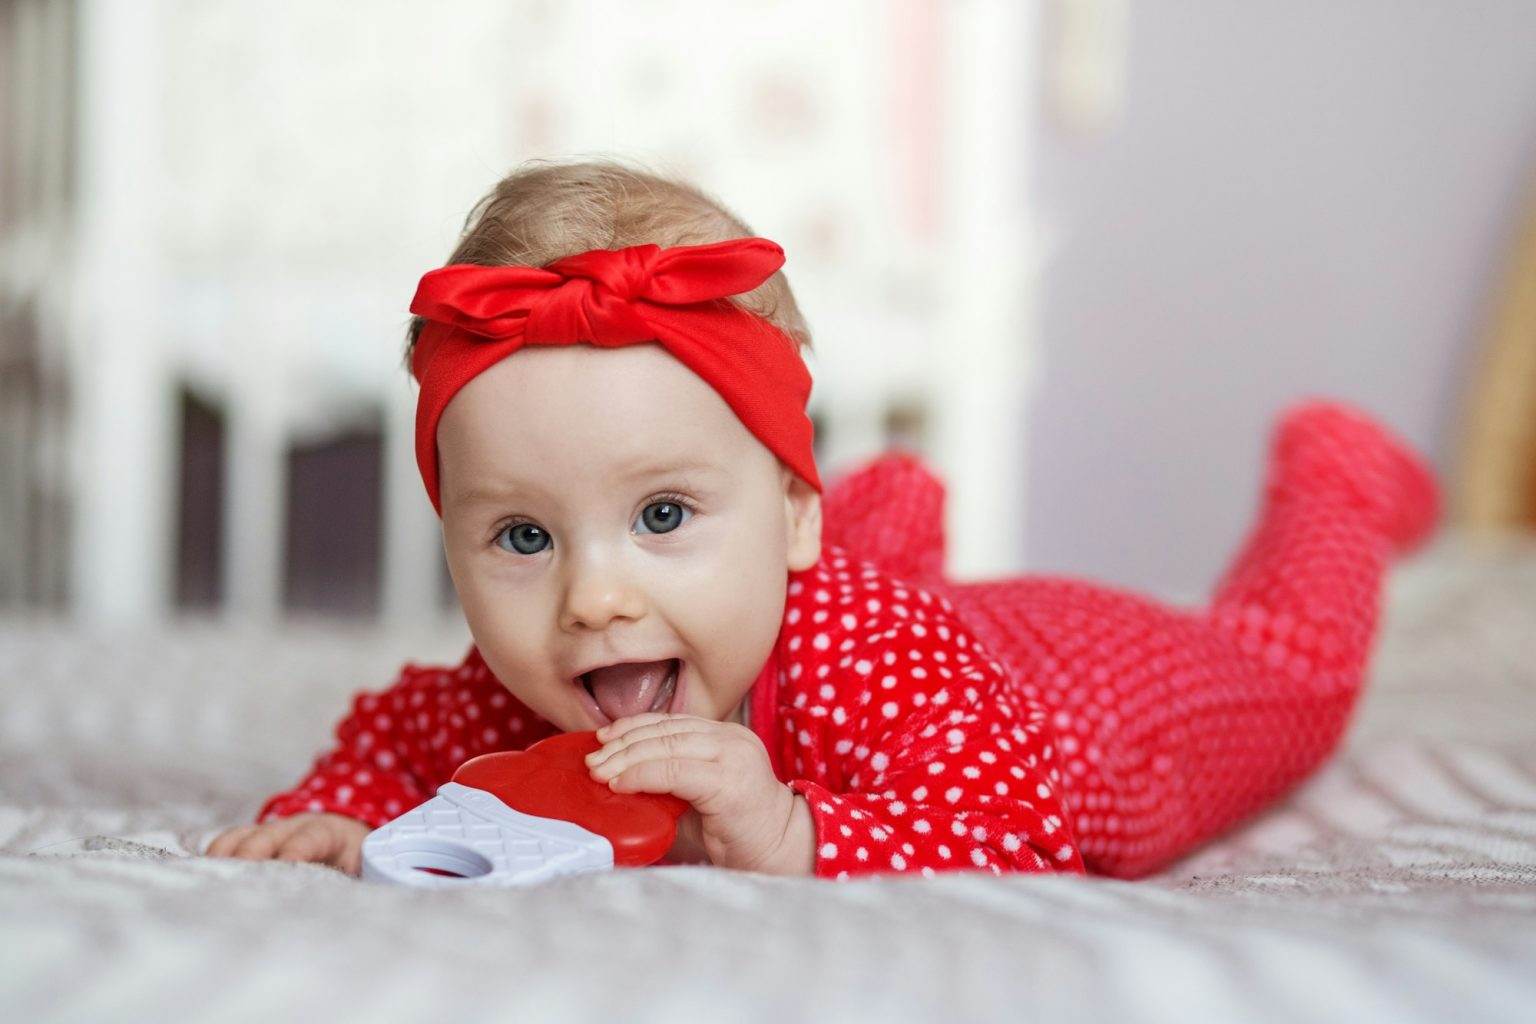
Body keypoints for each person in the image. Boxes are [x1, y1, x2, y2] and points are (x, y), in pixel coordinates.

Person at [206, 159, 1439, 881]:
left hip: (1077, 698)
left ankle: (1335, 475)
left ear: (796, 511)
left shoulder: (871, 652)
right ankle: (887, 512)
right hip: (852, 605)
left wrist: (786, 823)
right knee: (803, 595)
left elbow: (1023, 831)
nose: (592, 597)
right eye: (522, 536)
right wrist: (332, 815)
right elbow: (396, 734)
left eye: (663, 512)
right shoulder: (509, 687)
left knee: (1291, 667)